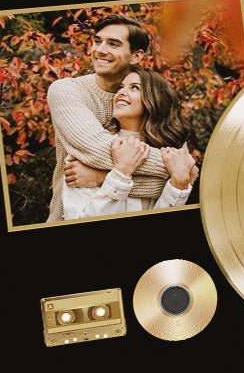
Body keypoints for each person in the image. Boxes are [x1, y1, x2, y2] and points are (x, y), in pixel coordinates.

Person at [46, 13, 169, 222]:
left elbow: (178, 183)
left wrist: (99, 177)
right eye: (97, 41)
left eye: (113, 44)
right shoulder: (67, 90)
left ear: (136, 56)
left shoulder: (147, 97)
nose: (100, 50)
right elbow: (96, 150)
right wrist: (172, 165)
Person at [62, 67, 197, 219]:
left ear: (154, 99)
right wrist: (120, 173)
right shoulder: (87, 151)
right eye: (121, 87)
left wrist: (178, 185)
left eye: (134, 88)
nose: (121, 92)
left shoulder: (174, 159)